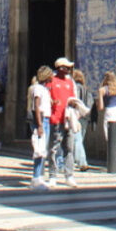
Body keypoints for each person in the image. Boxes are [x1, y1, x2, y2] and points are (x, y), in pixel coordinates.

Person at [47, 58, 78, 188]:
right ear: (60, 68)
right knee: (54, 148)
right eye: (66, 67)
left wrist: (76, 115)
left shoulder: (71, 82)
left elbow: (74, 99)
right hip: (56, 119)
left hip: (68, 119)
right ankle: (52, 175)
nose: (68, 70)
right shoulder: (51, 81)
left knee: (69, 149)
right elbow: (46, 98)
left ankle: (69, 175)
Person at [97, 71, 116, 169]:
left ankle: (114, 160)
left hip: (109, 112)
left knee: (109, 138)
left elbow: (101, 107)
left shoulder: (102, 90)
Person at [30, 66, 52, 189]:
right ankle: (36, 178)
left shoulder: (44, 89)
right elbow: (37, 107)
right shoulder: (38, 88)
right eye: (50, 74)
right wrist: (39, 125)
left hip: (45, 120)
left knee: (42, 150)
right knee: (39, 150)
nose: (52, 76)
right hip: (42, 120)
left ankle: (38, 178)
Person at [71, 69, 92, 171]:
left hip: (76, 116)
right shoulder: (86, 89)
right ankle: (78, 160)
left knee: (77, 140)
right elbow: (90, 104)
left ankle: (82, 162)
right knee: (79, 139)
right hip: (85, 117)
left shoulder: (74, 88)